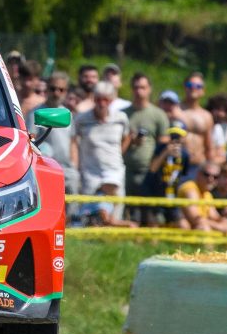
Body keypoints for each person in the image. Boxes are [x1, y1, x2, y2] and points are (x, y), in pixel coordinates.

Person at [73, 81, 132, 226]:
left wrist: (119, 153)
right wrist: (76, 164)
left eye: (105, 99)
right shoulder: (82, 119)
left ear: (111, 100)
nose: (102, 103)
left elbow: (127, 137)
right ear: (94, 99)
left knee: (115, 211)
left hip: (114, 170)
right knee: (90, 214)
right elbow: (73, 140)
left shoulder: (121, 118)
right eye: (98, 99)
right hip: (91, 172)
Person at [123, 73, 170, 225]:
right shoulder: (123, 114)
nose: (139, 91)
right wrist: (131, 140)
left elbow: (163, 145)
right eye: (136, 87)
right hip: (125, 170)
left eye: (143, 87)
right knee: (128, 213)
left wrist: (155, 169)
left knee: (150, 214)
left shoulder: (158, 114)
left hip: (149, 172)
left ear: (149, 89)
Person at [37, 71, 80, 201]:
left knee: (73, 203)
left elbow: (73, 141)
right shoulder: (37, 113)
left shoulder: (68, 114)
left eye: (61, 90)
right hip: (46, 169)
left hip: (68, 170)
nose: (56, 93)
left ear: (66, 92)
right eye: (53, 89)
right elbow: (31, 140)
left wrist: (74, 165)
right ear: (47, 89)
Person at [147, 123, 192, 226]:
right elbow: (152, 169)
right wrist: (165, 153)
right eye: (173, 136)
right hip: (158, 194)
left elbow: (185, 176)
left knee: (181, 224)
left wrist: (178, 158)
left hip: (174, 196)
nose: (175, 140)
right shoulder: (161, 148)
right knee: (156, 222)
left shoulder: (185, 154)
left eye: (178, 137)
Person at [176, 163, 227, 233]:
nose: (211, 179)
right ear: (198, 174)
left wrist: (224, 221)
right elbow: (195, 219)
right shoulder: (190, 188)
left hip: (194, 230)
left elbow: (214, 216)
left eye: (215, 177)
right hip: (178, 230)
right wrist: (219, 227)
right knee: (203, 228)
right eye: (207, 175)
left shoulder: (207, 194)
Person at [177, 71, 213, 166]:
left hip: (197, 165)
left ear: (203, 91)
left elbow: (209, 147)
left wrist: (210, 166)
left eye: (198, 86)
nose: (193, 88)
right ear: (184, 87)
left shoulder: (207, 116)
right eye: (190, 85)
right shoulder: (175, 110)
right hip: (176, 164)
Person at [207, 93, 227, 164]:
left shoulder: (218, 129)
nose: (221, 114)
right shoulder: (203, 125)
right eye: (218, 109)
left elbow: (222, 155)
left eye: (224, 111)